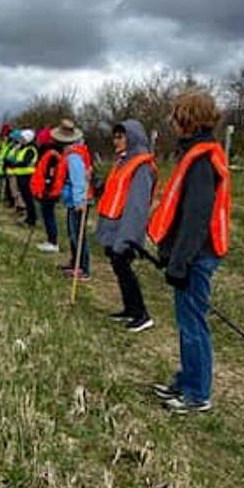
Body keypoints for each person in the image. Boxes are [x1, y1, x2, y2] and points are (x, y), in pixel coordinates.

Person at [147, 91, 230, 414]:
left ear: (187, 120)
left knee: (193, 325)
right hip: (192, 253)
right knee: (187, 322)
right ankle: (186, 380)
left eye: (176, 116)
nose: (172, 122)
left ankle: (197, 393)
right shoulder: (195, 153)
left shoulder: (201, 160)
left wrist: (180, 262)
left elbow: (196, 219)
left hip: (198, 255)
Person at [96, 120, 157, 332]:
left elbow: (137, 206)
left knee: (124, 267)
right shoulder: (122, 162)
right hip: (114, 227)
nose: (116, 141)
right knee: (119, 268)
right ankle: (130, 309)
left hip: (125, 230)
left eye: (120, 136)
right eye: (115, 136)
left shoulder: (141, 167)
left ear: (132, 137)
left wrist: (126, 238)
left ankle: (141, 314)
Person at [51, 119, 93, 281]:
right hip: (74, 200)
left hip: (79, 202)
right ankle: (75, 262)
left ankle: (83, 268)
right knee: (72, 233)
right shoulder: (72, 153)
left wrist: (78, 202)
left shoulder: (74, 156)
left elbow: (78, 181)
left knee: (78, 235)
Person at [30, 125, 61, 252]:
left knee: (49, 215)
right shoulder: (47, 152)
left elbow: (51, 173)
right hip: (46, 190)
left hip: (49, 191)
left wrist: (47, 188)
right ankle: (50, 239)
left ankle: (53, 242)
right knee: (46, 214)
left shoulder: (52, 154)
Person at [5, 129, 38, 227]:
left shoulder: (30, 149)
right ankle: (28, 217)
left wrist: (13, 164)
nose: (21, 140)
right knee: (24, 197)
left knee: (28, 199)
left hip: (27, 176)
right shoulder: (22, 148)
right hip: (20, 175)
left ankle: (31, 219)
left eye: (23, 138)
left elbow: (25, 162)